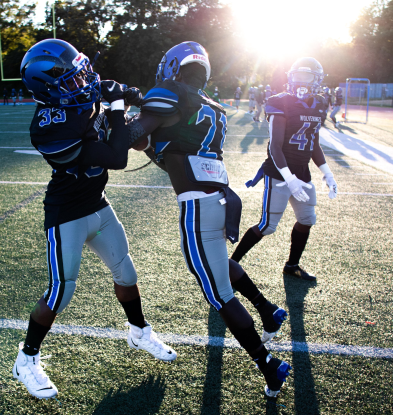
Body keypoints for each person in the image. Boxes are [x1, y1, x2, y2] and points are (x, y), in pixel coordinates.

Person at [12, 39, 177, 400]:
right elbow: (117, 156)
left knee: (126, 272)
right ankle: (26, 359)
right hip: (66, 213)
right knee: (62, 290)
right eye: (72, 81)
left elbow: (109, 101)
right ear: (51, 91)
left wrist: (129, 95)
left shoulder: (78, 97)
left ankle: (138, 330)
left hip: (97, 204)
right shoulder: (48, 126)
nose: (82, 84)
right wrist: (118, 107)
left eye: (81, 75)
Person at [127, 42, 291, 397]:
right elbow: (164, 149)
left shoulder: (169, 92)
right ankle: (267, 310)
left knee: (219, 295)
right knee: (219, 264)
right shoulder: (210, 105)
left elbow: (130, 137)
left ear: (173, 67)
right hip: (221, 198)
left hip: (198, 205)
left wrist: (114, 115)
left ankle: (269, 365)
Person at [231, 57, 338, 282]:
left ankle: (292, 265)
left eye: (307, 77)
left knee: (307, 219)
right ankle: (231, 265)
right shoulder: (280, 101)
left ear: (317, 80)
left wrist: (327, 172)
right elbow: (274, 146)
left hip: (303, 172)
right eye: (297, 76)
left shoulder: (319, 103)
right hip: (279, 173)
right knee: (268, 225)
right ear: (290, 77)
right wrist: (289, 178)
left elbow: (314, 143)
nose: (301, 81)